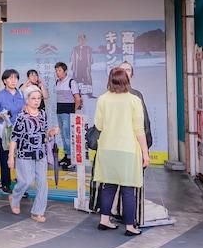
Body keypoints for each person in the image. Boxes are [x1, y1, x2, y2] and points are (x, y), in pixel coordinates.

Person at [93, 68, 150, 236]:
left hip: (107, 148)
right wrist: (145, 153)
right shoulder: (134, 100)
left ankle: (104, 220)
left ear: (110, 80)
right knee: (128, 188)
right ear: (127, 81)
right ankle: (130, 227)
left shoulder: (102, 99)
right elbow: (139, 130)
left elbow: (99, 125)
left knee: (108, 185)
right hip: (128, 149)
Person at [8, 88, 58, 222]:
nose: (36, 101)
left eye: (38, 98)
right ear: (27, 99)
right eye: (33, 98)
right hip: (24, 154)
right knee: (26, 181)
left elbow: (44, 132)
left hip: (40, 153)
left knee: (43, 183)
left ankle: (37, 212)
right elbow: (14, 138)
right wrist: (10, 157)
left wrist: (50, 132)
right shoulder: (21, 116)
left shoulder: (43, 114)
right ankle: (15, 197)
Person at [0, 69, 25, 194]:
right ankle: (5, 184)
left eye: (16, 78)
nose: (13, 80)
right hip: (4, 131)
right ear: (4, 81)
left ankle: (21, 185)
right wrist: (2, 115)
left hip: (20, 130)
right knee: (5, 157)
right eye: (10, 78)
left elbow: (26, 109)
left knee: (21, 158)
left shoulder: (21, 94)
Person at [52, 62, 82, 171]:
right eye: (56, 71)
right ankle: (66, 156)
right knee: (63, 135)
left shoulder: (71, 82)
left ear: (65, 71)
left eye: (59, 70)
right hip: (59, 111)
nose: (57, 73)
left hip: (68, 112)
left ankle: (70, 158)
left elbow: (77, 99)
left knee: (68, 135)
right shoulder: (57, 82)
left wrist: (72, 112)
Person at [118, 61, 153, 150]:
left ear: (132, 75)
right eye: (122, 70)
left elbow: (145, 122)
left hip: (133, 144)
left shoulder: (137, 95)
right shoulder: (107, 96)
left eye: (128, 70)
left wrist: (144, 146)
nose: (125, 72)